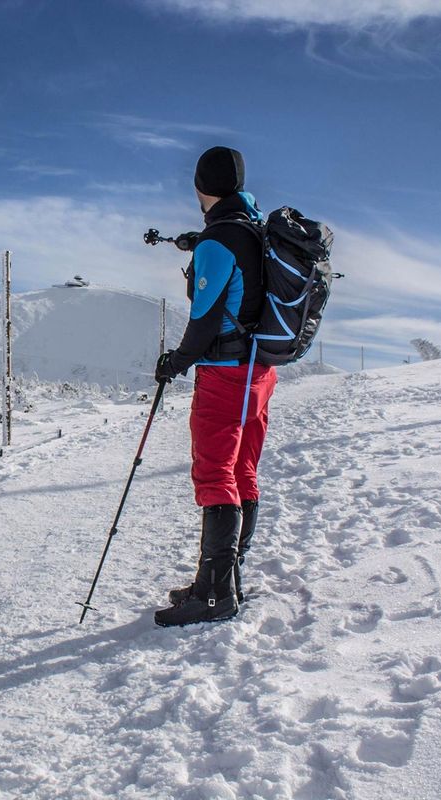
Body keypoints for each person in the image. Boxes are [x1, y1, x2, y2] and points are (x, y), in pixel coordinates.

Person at [152, 146, 278, 628]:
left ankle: (214, 596)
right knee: (241, 470)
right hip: (259, 372)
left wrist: (176, 361)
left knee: (214, 475)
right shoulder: (255, 228)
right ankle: (224, 582)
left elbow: (203, 317)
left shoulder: (218, 239)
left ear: (200, 186)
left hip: (225, 374)